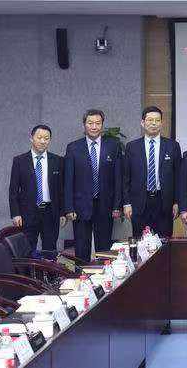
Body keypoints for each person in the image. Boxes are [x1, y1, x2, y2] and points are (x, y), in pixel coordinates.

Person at [64, 109, 122, 262]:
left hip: (105, 205)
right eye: (90, 123)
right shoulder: (73, 148)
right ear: (84, 124)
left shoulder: (113, 145)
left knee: (104, 250)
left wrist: (117, 205)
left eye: (98, 123)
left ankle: (105, 275)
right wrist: (69, 207)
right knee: (81, 249)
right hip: (80, 207)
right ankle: (80, 275)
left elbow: (118, 178)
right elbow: (68, 180)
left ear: (102, 125)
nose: (94, 127)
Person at [123, 106, 182, 238]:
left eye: (157, 120)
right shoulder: (132, 147)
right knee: (140, 242)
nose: (154, 123)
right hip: (139, 203)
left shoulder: (172, 146)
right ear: (142, 122)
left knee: (164, 242)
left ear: (161, 123)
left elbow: (178, 177)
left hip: (164, 203)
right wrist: (127, 203)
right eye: (150, 120)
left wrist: (177, 202)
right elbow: (126, 177)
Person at [9, 125, 66, 252]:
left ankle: (49, 266)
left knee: (50, 250)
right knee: (28, 249)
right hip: (28, 212)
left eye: (46, 138)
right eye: (39, 137)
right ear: (31, 138)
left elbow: (61, 190)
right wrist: (15, 213)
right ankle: (29, 266)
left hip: (50, 212)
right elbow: (13, 190)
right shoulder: (20, 161)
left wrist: (62, 212)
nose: (42, 141)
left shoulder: (58, 160)